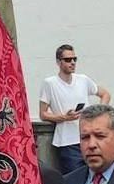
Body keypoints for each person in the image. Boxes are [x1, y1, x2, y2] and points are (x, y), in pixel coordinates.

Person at [38, 43, 108, 175]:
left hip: (89, 138)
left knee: (96, 177)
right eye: (68, 60)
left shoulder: (83, 79)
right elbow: (43, 114)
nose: (72, 62)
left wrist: (99, 112)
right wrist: (64, 117)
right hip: (67, 142)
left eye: (74, 59)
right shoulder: (49, 83)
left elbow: (105, 94)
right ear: (58, 62)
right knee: (75, 179)